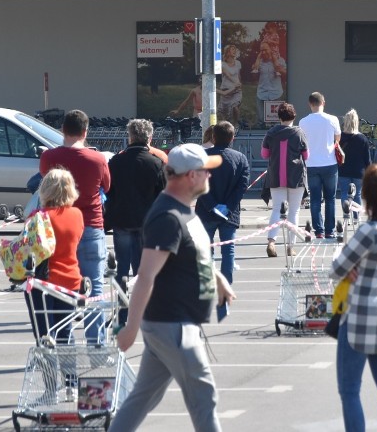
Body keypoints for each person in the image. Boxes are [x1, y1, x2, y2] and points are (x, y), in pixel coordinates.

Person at [108, 144, 236, 432]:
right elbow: (145, 276)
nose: (210, 177)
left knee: (142, 399)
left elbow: (191, 253)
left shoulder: (182, 211)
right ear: (191, 175)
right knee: (205, 397)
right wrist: (130, 327)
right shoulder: (167, 217)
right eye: (206, 171)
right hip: (173, 326)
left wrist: (217, 278)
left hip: (172, 324)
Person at [330, 163, 377, 432]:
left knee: (350, 390)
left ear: (368, 195)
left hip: (359, 317)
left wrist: (353, 267)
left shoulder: (369, 231)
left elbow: (337, 267)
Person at [40, 109, 111, 344]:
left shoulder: (49, 158)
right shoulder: (97, 159)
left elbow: (46, 185)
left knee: (63, 287)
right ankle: (96, 343)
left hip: (58, 227)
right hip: (91, 225)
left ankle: (65, 341)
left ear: (63, 130)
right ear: (85, 131)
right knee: (95, 287)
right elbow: (107, 186)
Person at [106, 119, 167, 325]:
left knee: (122, 269)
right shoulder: (156, 162)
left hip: (122, 220)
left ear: (129, 137)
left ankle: (122, 314)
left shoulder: (115, 161)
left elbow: (109, 192)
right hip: (147, 223)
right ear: (150, 138)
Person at [25, 168, 84, 345]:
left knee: (45, 336)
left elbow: (29, 247)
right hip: (70, 280)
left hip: (43, 281)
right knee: (65, 332)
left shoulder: (38, 217)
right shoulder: (77, 215)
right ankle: (70, 373)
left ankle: (49, 372)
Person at [195, 121, 250, 283]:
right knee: (228, 251)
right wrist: (228, 206)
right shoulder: (240, 158)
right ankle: (226, 285)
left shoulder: (202, 157)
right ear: (232, 137)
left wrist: (212, 206)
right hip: (230, 212)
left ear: (213, 136)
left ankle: (207, 284)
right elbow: (242, 187)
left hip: (206, 211)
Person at [261, 102, 309, 257]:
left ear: (279, 117)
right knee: (294, 212)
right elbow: (306, 156)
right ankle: (290, 246)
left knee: (276, 209)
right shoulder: (299, 133)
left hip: (276, 175)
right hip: (296, 176)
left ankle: (271, 242)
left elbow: (265, 154)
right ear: (293, 116)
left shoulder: (271, 133)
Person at [299, 92, 342, 239]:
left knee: (315, 199)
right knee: (330, 198)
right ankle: (330, 230)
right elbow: (337, 140)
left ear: (310, 104)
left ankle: (319, 231)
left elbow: (302, 142)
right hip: (329, 163)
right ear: (323, 102)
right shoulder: (332, 119)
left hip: (311, 164)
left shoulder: (303, 122)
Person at [338, 109, 372, 221]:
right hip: (359, 171)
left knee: (344, 193)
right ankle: (356, 217)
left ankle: (346, 216)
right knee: (357, 194)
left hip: (343, 169)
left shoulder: (340, 137)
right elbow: (367, 158)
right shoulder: (362, 138)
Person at [253, 41, 287, 128]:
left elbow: (284, 72)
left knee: (276, 121)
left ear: (271, 50)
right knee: (261, 120)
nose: (263, 52)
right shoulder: (259, 62)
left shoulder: (280, 60)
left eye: (265, 50)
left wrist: (275, 60)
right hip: (262, 94)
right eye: (261, 51)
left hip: (276, 94)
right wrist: (257, 58)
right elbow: (253, 73)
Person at [217, 44, 243, 125]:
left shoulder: (238, 63)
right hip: (226, 91)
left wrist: (239, 83)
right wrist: (236, 83)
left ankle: (235, 124)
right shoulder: (222, 64)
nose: (234, 51)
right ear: (227, 52)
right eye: (232, 49)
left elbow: (238, 75)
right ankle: (227, 127)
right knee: (224, 114)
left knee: (235, 107)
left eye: (235, 49)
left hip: (236, 91)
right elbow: (228, 75)